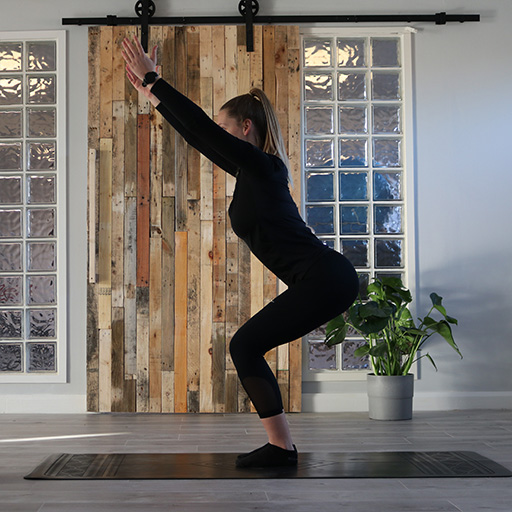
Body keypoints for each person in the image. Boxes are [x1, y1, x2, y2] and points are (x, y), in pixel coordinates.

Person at [121, 37, 359, 468]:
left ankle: (281, 449)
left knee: (245, 345)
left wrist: (156, 80)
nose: (219, 135)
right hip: (324, 278)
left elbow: (201, 130)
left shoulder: (263, 167)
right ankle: (281, 448)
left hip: (326, 277)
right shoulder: (254, 172)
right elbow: (200, 137)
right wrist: (153, 96)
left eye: (225, 126)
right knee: (247, 345)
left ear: (245, 128)